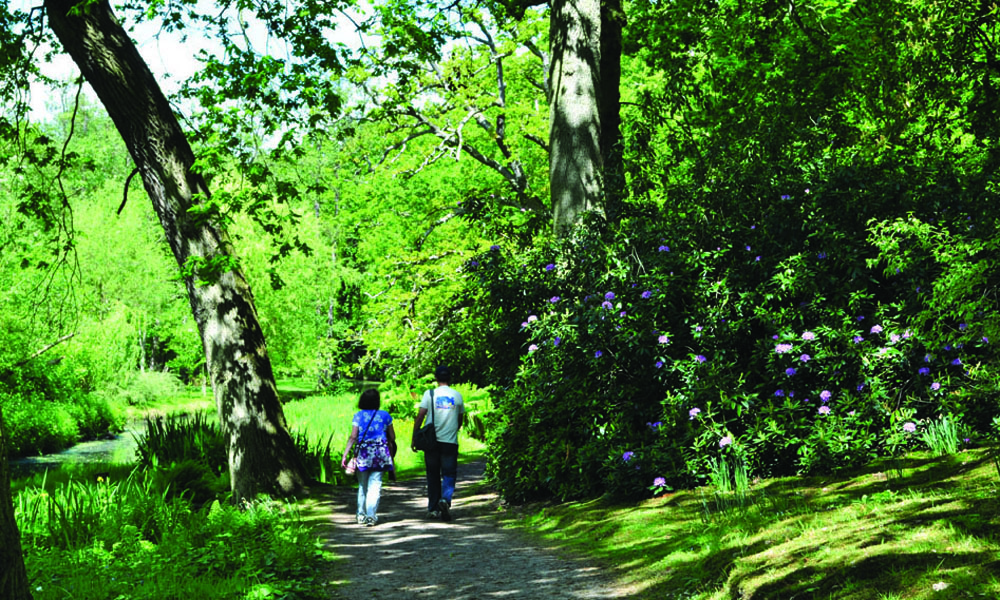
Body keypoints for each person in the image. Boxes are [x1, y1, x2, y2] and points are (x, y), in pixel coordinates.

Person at [412, 365, 463, 521]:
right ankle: (445, 499)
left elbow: (420, 416)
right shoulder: (457, 395)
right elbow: (460, 418)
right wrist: (454, 429)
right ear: (450, 378)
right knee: (449, 473)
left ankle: (433, 508)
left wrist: (414, 437)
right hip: (450, 442)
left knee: (432, 475)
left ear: (436, 378)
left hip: (431, 442)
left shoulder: (430, 394)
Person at [341, 388, 395, 526]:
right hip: (380, 453)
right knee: (375, 485)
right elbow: (393, 437)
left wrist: (345, 454)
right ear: (377, 401)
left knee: (362, 485)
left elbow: (353, 436)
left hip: (363, 453)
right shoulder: (385, 415)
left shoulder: (358, 416)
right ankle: (371, 515)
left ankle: (360, 515)